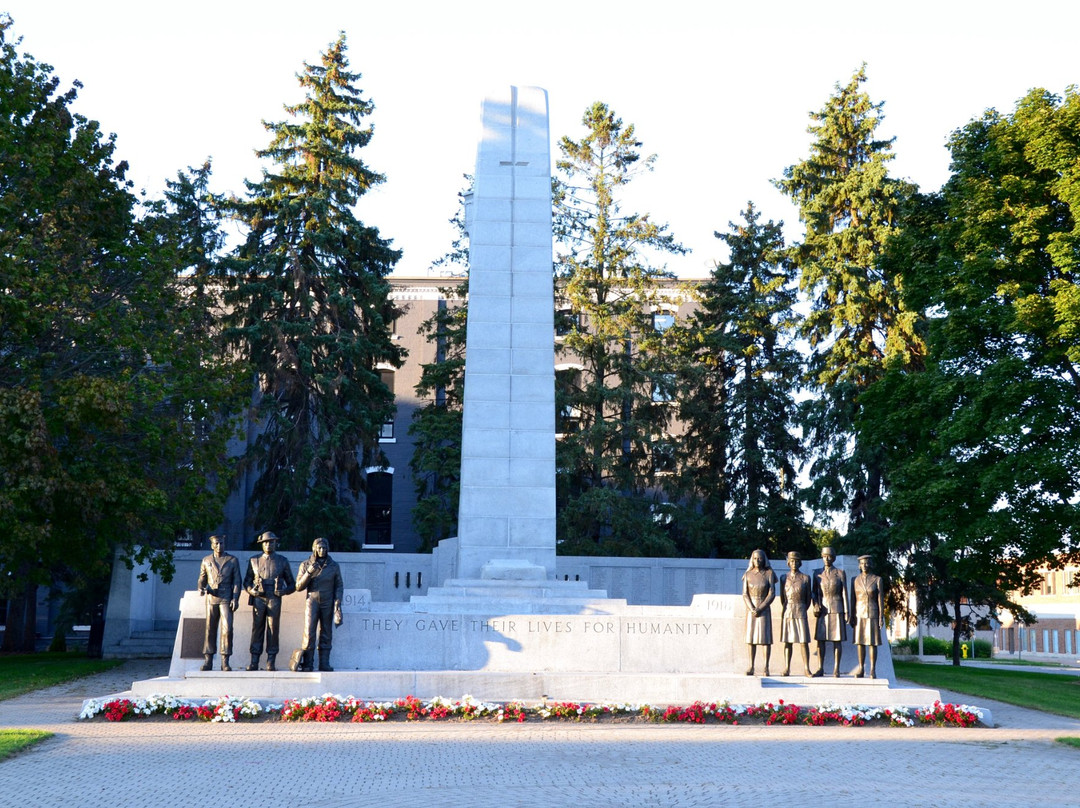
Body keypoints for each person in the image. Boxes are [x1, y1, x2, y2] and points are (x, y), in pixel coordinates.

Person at [243, 530, 295, 672]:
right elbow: (246, 581)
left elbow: (292, 584)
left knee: (273, 629)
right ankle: (254, 660)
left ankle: (271, 661)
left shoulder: (282, 561)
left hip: (274, 597)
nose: (269, 545)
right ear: (262, 544)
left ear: (275, 544)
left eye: (271, 542)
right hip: (259, 597)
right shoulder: (254, 560)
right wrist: (251, 591)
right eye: (266, 542)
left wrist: (283, 591)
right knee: (257, 628)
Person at [294, 537, 344, 672]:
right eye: (319, 548)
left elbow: (339, 585)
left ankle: (324, 663)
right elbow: (298, 586)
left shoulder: (334, 566)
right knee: (309, 632)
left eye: (324, 548)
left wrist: (338, 601)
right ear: (314, 549)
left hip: (328, 601)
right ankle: (308, 663)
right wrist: (309, 572)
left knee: (327, 632)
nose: (322, 550)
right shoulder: (305, 564)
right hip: (312, 601)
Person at [196, 535, 241, 671]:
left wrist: (235, 598)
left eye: (221, 543)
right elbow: (201, 579)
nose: (219, 546)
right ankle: (208, 660)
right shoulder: (206, 560)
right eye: (217, 543)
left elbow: (237, 581)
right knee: (210, 628)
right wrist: (201, 587)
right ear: (212, 545)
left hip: (226, 597)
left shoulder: (232, 560)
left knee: (227, 629)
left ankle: (225, 661)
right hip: (211, 598)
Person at [812, 545, 849, 677]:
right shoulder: (817, 573)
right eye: (824, 556)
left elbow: (844, 593)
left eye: (829, 556)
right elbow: (814, 593)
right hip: (823, 610)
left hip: (837, 607)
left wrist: (847, 612)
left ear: (833, 558)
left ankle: (836, 669)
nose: (826, 558)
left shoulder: (840, 573)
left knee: (836, 640)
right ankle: (820, 668)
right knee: (820, 640)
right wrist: (815, 604)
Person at [741, 548, 777, 676]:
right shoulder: (748, 575)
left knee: (765, 639)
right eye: (755, 558)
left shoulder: (769, 574)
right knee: (751, 639)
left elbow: (772, 593)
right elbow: (745, 594)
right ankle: (751, 666)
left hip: (764, 608)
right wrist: (752, 608)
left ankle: (766, 667)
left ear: (764, 559)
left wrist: (760, 608)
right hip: (751, 610)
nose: (757, 560)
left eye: (760, 558)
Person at [849, 554, 884, 678]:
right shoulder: (855, 580)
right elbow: (852, 599)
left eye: (867, 563)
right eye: (862, 563)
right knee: (860, 642)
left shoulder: (877, 579)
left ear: (871, 564)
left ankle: (873, 669)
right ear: (859, 565)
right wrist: (851, 615)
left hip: (872, 613)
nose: (865, 566)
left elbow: (880, 600)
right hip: (859, 614)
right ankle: (861, 668)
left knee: (872, 642)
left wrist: (881, 617)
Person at [780, 551, 812, 677]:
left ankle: (806, 668)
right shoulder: (784, 578)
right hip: (788, 610)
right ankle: (787, 668)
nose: (794, 563)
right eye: (792, 561)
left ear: (800, 563)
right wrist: (788, 608)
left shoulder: (805, 578)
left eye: (796, 561)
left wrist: (802, 608)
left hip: (800, 610)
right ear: (788, 563)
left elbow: (808, 598)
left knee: (803, 641)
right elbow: (783, 599)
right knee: (788, 641)